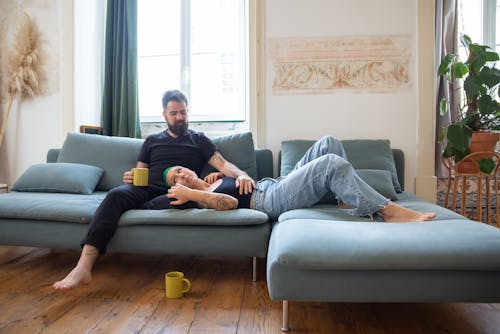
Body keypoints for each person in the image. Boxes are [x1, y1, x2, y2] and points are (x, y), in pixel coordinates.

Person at [53, 89, 255, 291]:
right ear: (164, 115)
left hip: (178, 191)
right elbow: (141, 171)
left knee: (178, 200)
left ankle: (148, 206)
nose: (179, 117)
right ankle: (83, 266)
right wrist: (132, 177)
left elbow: (223, 164)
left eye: (183, 112)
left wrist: (242, 175)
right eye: (174, 113)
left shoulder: (198, 139)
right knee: (115, 195)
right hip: (147, 188)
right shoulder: (152, 141)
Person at [156, 136, 437, 222]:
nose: (180, 174)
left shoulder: (213, 178)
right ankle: (385, 209)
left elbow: (231, 171)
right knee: (330, 163)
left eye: (180, 168)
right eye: (175, 178)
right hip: (267, 201)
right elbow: (229, 204)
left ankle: (343, 199)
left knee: (328, 143)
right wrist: (194, 195)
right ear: (177, 187)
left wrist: (227, 177)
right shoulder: (201, 198)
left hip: (274, 184)